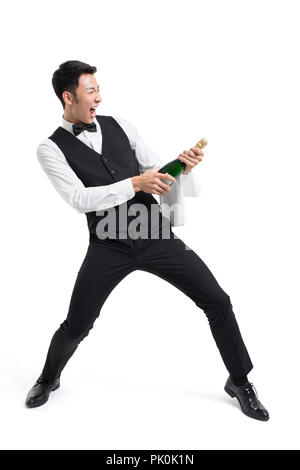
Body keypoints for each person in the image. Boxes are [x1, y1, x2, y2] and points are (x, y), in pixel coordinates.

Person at [25, 60, 269, 421]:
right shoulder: (50, 149)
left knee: (218, 301)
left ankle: (240, 381)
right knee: (78, 324)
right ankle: (48, 378)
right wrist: (136, 184)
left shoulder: (119, 124)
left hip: (155, 235)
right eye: (91, 91)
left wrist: (180, 167)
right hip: (108, 244)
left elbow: (152, 169)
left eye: (98, 89)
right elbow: (79, 199)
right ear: (68, 96)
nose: (98, 97)